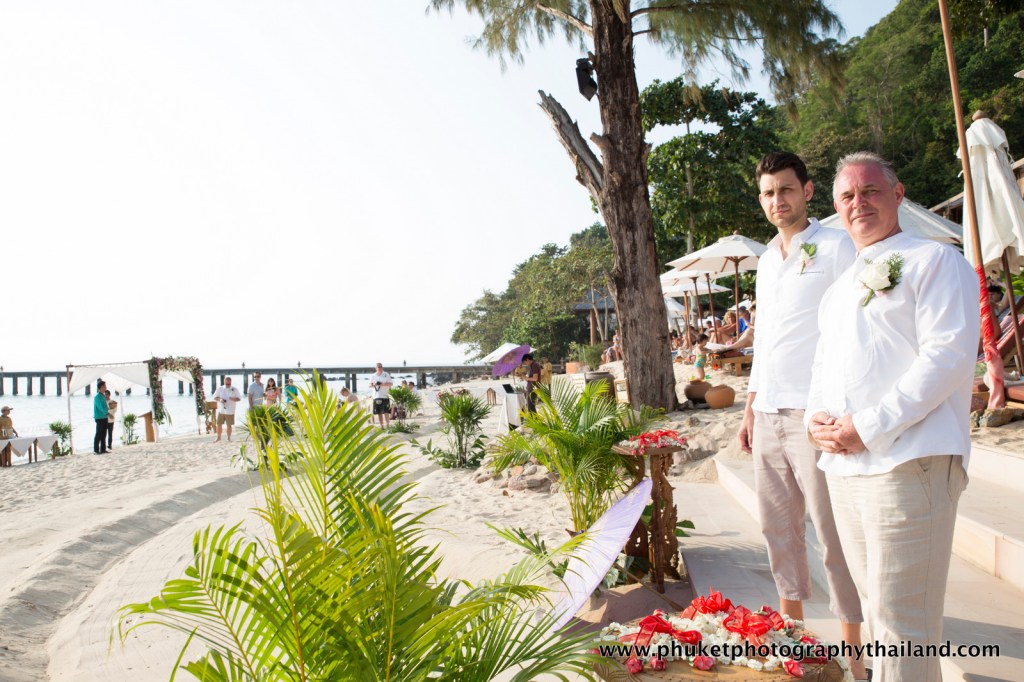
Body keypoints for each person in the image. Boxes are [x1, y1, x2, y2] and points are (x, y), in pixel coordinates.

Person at [806, 152, 979, 682]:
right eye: (847, 196)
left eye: (870, 191)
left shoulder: (935, 261)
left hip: (910, 463)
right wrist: (817, 421)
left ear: (898, 193)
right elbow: (824, 366)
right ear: (836, 208)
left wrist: (870, 426)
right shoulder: (836, 290)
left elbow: (948, 357)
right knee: (879, 616)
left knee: (906, 626)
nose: (859, 203)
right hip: (846, 469)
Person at [738, 151, 865, 680]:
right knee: (777, 532)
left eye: (785, 190)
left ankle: (857, 657)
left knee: (832, 538)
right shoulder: (767, 259)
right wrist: (747, 406)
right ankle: (791, 644)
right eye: (768, 193)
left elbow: (859, 323)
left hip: (816, 412)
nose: (776, 201)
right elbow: (764, 339)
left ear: (808, 191)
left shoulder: (836, 245)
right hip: (766, 411)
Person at [212, 376, 243, 442]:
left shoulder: (235, 389)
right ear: (224, 382)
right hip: (221, 410)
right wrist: (220, 399)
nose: (228, 385)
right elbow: (215, 397)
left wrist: (233, 399)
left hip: (230, 410)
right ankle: (218, 437)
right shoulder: (220, 388)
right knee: (219, 424)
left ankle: (228, 438)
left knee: (229, 425)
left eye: (229, 383)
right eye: (226, 383)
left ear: (231, 382)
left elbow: (239, 398)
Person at [369, 363, 393, 427]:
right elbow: (369, 385)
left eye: (380, 367)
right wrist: (374, 384)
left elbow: (391, 384)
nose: (379, 368)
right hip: (376, 396)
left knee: (386, 411)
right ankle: (381, 425)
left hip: (385, 395)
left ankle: (387, 425)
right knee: (379, 412)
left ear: (382, 367)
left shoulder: (386, 374)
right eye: (378, 367)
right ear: (376, 368)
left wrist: (383, 384)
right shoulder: (373, 375)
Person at [94, 381, 109, 454]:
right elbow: (101, 407)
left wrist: (108, 410)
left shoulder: (103, 396)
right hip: (99, 418)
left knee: (104, 433)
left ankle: (103, 449)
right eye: (104, 386)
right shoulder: (97, 397)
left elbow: (105, 406)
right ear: (101, 387)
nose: (106, 387)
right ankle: (96, 450)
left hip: (104, 417)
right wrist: (107, 412)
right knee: (99, 433)